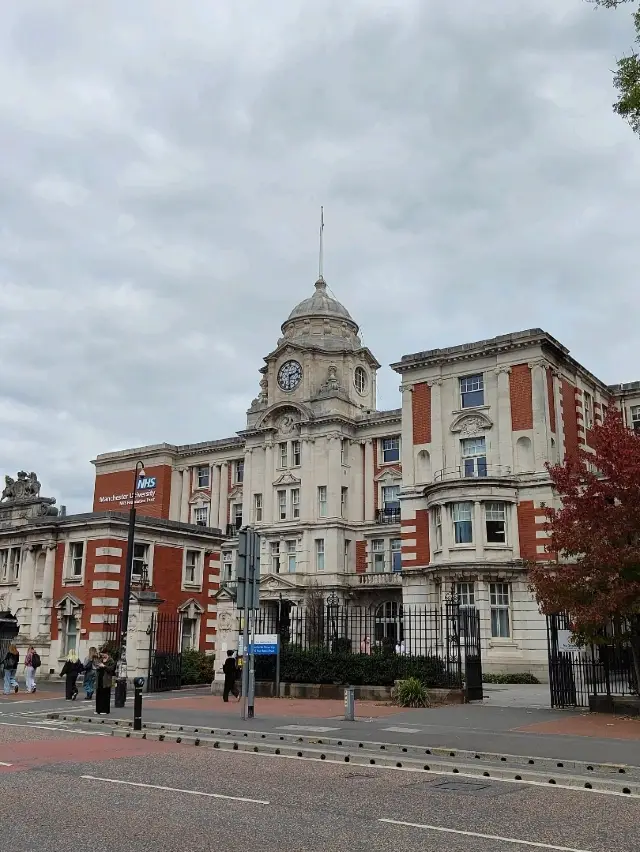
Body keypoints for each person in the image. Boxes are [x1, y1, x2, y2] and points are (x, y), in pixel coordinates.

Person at [95, 651, 116, 715]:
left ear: (107, 654)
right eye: (102, 654)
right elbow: (96, 666)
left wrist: (104, 666)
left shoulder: (111, 661)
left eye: (103, 654)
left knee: (105, 695)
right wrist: (98, 666)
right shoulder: (100, 660)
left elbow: (111, 669)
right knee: (99, 695)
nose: (102, 656)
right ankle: (98, 710)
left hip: (106, 680)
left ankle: (105, 710)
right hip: (100, 679)